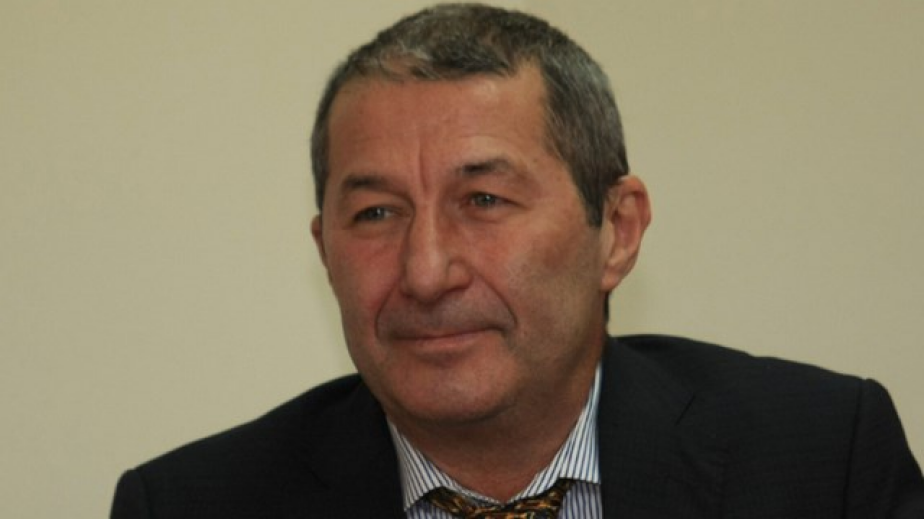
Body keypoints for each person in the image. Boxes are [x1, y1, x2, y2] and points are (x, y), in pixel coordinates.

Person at [110, 4, 924, 518]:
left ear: (617, 230)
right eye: (377, 213)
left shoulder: (824, 460)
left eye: (484, 200)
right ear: (325, 252)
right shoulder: (188, 505)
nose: (427, 272)